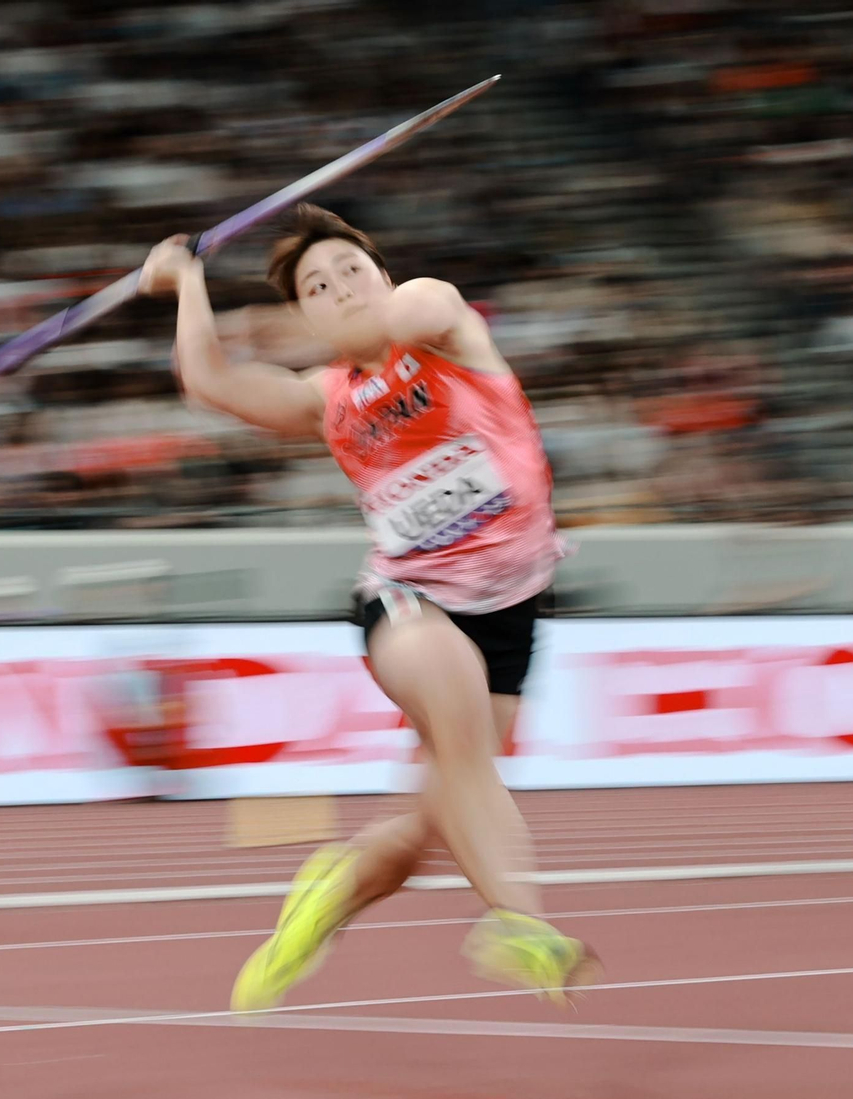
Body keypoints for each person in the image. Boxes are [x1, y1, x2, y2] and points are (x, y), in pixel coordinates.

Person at [139, 205, 597, 1011]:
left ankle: (330, 896)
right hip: (409, 599)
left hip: (515, 609)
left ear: (382, 274)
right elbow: (209, 382)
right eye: (318, 286)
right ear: (306, 314)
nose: (340, 288)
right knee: (460, 738)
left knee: (421, 833)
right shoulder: (327, 397)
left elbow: (424, 305)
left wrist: (348, 312)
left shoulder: (442, 329)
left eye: (351, 270)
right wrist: (187, 281)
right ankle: (521, 923)